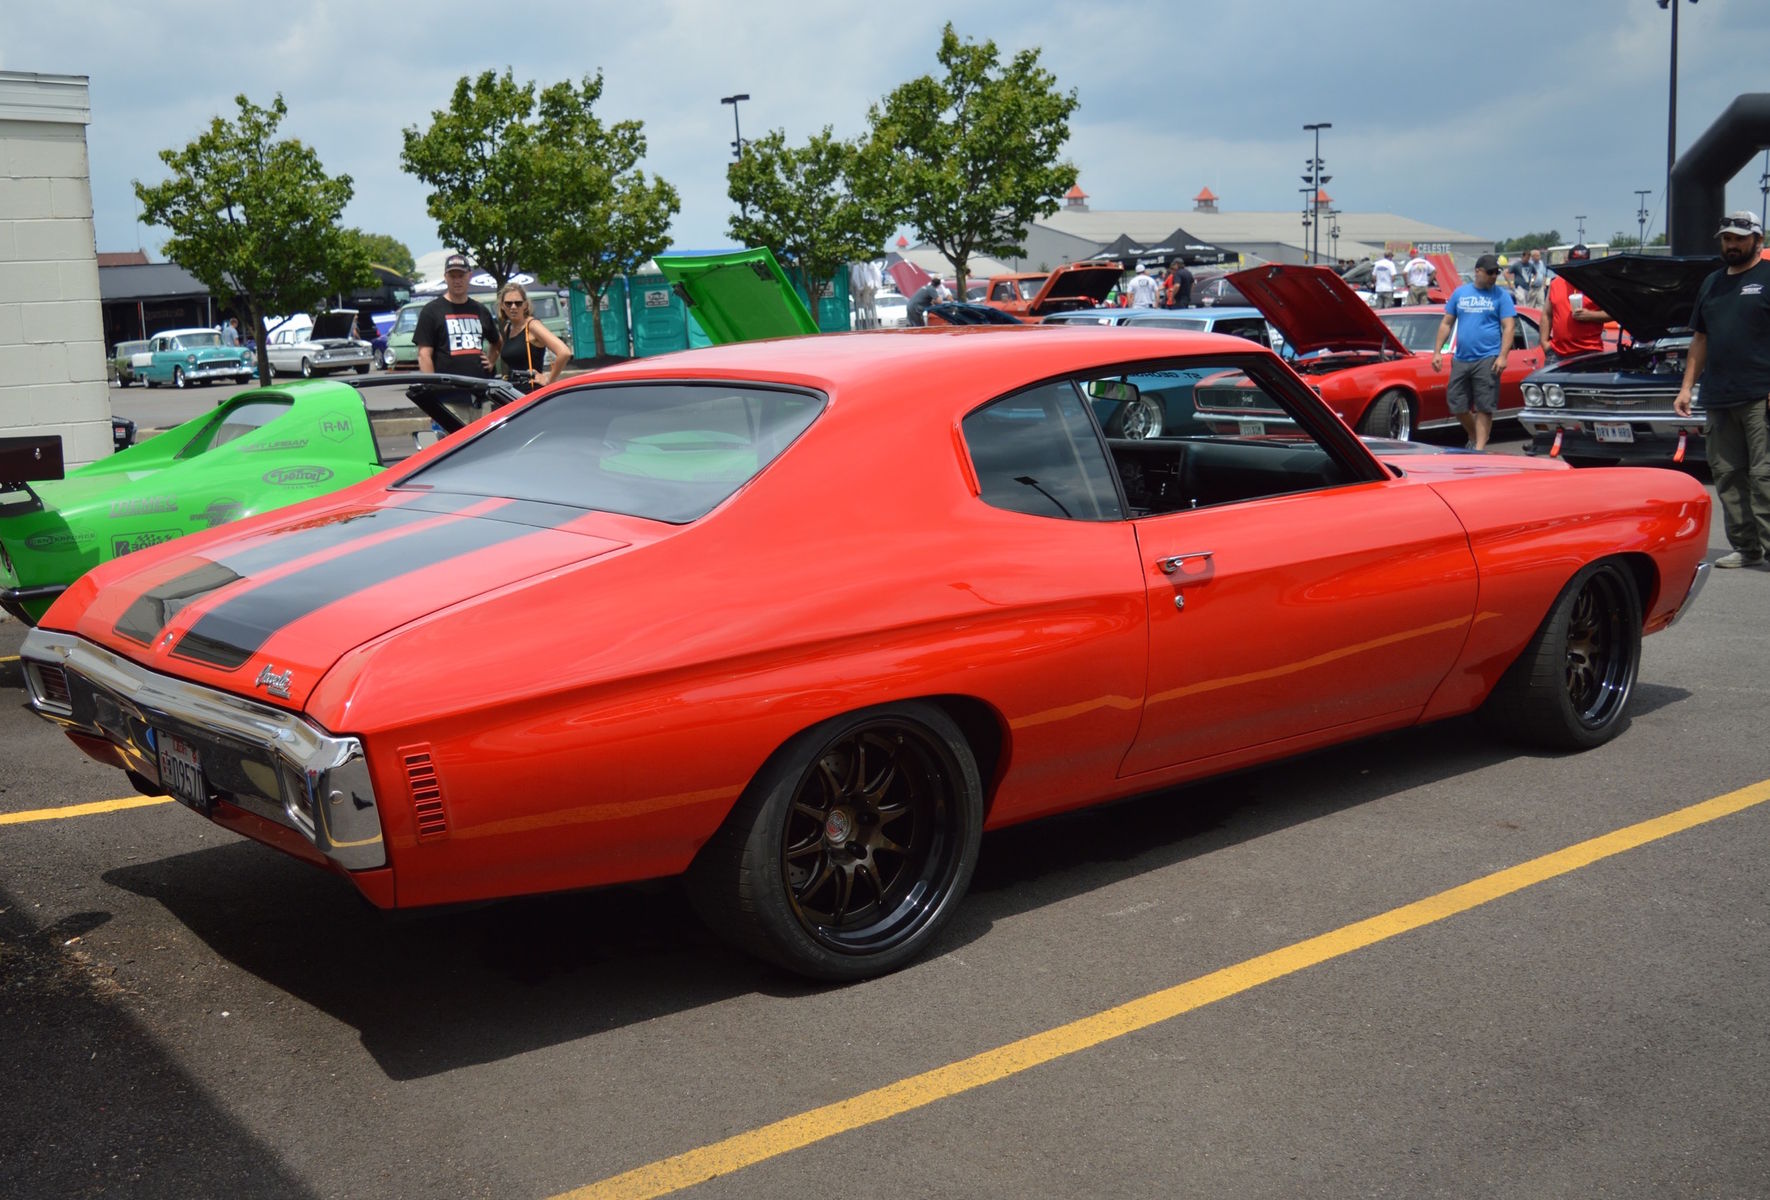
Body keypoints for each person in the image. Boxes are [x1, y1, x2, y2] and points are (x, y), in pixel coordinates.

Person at [1674, 210, 1770, 568]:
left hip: (1761, 394)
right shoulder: (1712, 282)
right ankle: (1746, 548)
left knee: (1764, 475)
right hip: (1718, 395)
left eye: (1739, 238)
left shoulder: (1767, 277)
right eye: (1727, 238)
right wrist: (1687, 388)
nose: (1731, 244)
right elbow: (1701, 338)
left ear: (1757, 240)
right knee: (1728, 474)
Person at [1430, 253, 1516, 451]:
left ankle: (1478, 450)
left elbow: (1509, 327)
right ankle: (1475, 434)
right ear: (1478, 271)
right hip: (1461, 358)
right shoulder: (1460, 293)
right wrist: (1437, 352)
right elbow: (1446, 323)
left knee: (1485, 407)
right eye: (1490, 272)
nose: (1494, 276)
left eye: (1497, 272)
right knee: (1456, 404)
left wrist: (1503, 356)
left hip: (1488, 358)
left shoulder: (1501, 296)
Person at [415, 253, 499, 377]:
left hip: (479, 388)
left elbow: (497, 342)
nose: (457, 281)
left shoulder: (480, 310)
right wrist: (432, 387)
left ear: (469, 276)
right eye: (452, 276)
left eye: (461, 276)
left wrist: (491, 361)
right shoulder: (431, 311)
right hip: (447, 391)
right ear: (445, 277)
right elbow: (424, 355)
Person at [1543, 244, 1610, 365]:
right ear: (1568, 261)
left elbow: (1614, 313)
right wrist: (1544, 342)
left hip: (1589, 352)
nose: (1577, 267)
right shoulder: (1556, 283)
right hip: (1557, 353)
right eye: (1574, 263)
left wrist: (1590, 315)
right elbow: (1547, 314)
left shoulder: (1597, 284)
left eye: (1581, 264)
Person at [496, 282, 570, 391]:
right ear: (502, 305)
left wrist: (549, 379)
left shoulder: (532, 326)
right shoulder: (508, 328)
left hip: (532, 393)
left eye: (518, 303)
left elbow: (564, 352)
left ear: (525, 305)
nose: (513, 307)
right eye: (508, 303)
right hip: (514, 393)